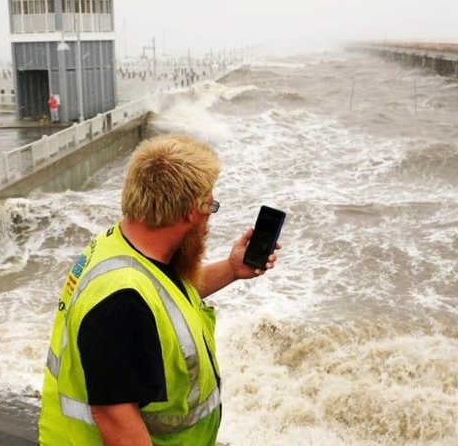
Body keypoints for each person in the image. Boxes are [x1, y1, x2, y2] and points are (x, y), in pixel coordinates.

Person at [38, 134, 281, 446]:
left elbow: (164, 299)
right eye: (210, 204)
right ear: (191, 211)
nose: (209, 216)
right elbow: (115, 417)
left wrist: (231, 270)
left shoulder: (122, 245)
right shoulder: (122, 304)